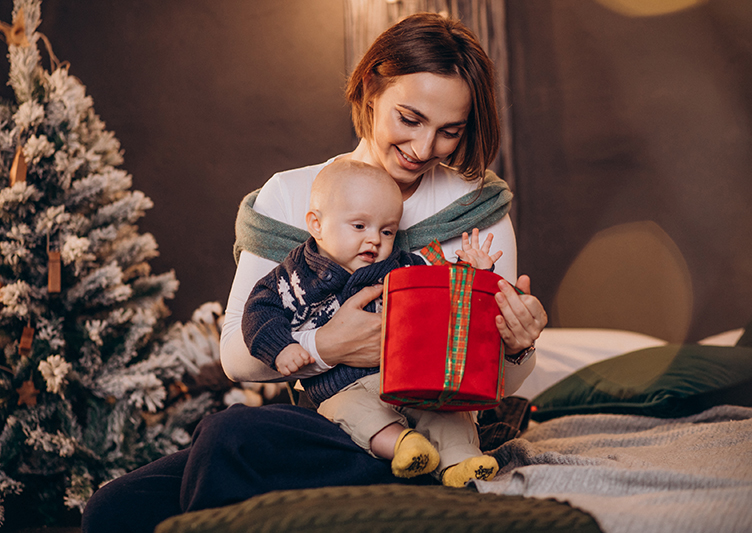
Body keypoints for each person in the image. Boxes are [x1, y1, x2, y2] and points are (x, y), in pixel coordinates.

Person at [82, 13, 547, 533]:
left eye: (449, 133)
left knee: (229, 439)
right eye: (410, 119)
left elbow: (492, 381)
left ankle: (422, 469)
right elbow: (237, 355)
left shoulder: (476, 213)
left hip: (430, 420)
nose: (423, 148)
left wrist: (517, 347)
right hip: (331, 417)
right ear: (371, 87)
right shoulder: (292, 195)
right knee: (114, 510)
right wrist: (329, 346)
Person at [242, 159, 504, 487]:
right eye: (359, 226)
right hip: (342, 386)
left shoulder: (402, 267)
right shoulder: (295, 277)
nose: (375, 241)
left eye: (387, 231)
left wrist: (473, 272)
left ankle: (461, 462)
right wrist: (282, 348)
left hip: (409, 382)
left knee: (447, 413)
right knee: (354, 413)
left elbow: (445, 296)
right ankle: (403, 446)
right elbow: (258, 312)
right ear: (317, 224)